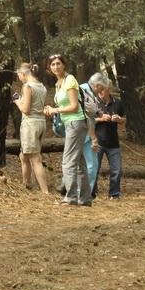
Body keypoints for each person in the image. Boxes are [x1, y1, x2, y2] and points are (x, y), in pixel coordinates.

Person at [43, 54, 93, 207]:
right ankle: (85, 199)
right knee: (79, 162)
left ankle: (70, 197)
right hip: (71, 124)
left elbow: (74, 106)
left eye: (58, 64)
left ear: (64, 65)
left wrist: (55, 110)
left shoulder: (70, 80)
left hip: (76, 122)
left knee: (68, 162)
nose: (56, 67)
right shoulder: (59, 82)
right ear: (49, 68)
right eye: (53, 65)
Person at [12, 63, 50, 194]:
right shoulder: (41, 86)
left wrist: (17, 102)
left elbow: (26, 110)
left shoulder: (27, 86)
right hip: (41, 122)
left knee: (35, 158)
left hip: (30, 124)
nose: (20, 79)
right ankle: (26, 185)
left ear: (23, 73)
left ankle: (45, 191)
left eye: (19, 76)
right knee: (24, 155)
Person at [88, 72, 125, 200]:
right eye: (100, 90)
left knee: (117, 170)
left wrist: (118, 119)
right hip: (98, 140)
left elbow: (124, 121)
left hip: (113, 142)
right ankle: (91, 194)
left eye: (104, 90)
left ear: (108, 89)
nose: (101, 92)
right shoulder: (94, 101)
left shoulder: (117, 102)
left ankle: (114, 194)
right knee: (94, 169)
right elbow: (88, 119)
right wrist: (101, 119)